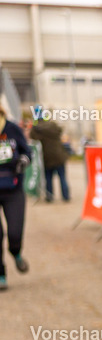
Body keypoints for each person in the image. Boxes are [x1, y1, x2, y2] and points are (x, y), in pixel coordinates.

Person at [0, 107, 33, 290]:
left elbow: (28, 152)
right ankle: (1, 274)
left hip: (13, 189)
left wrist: (23, 161)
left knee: (14, 233)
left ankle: (16, 252)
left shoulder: (12, 129)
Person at [29, 118, 70, 202]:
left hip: (47, 158)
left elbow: (32, 137)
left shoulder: (38, 129)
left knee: (48, 178)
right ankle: (66, 196)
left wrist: (33, 127)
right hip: (59, 156)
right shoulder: (53, 126)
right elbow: (60, 129)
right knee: (62, 177)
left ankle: (49, 196)